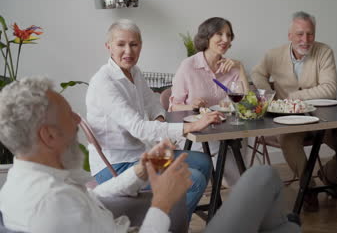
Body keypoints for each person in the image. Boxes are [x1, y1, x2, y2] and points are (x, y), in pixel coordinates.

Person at [0, 77, 301, 233]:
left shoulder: (26, 181)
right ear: (48, 135)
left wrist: (142, 170)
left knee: (279, 223)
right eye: (69, 116)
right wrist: (161, 201)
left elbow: (94, 199)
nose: (78, 122)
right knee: (262, 176)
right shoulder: (51, 205)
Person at [86, 19, 223, 217]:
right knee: (193, 180)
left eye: (134, 44)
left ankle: (172, 217)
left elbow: (153, 103)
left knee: (203, 162)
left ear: (140, 46)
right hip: (116, 166)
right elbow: (138, 128)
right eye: (121, 44)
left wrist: (159, 119)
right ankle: (166, 224)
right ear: (109, 47)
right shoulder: (104, 82)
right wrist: (189, 128)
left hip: (139, 157)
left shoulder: (134, 72)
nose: (128, 51)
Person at [251, 11, 337, 212]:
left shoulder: (324, 51)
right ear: (290, 36)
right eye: (300, 34)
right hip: (288, 121)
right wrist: (267, 95)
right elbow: (257, 73)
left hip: (321, 119)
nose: (305, 40)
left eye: (310, 34)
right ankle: (308, 188)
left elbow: (330, 89)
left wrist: (293, 97)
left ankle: (327, 176)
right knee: (289, 142)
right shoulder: (273, 55)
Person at [170, 17, 249, 186]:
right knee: (241, 179)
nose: (225, 39)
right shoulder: (188, 66)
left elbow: (246, 104)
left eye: (229, 35)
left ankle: (242, 197)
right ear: (207, 37)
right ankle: (242, 197)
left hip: (230, 132)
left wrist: (240, 67)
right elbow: (173, 107)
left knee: (241, 174)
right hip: (199, 135)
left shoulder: (232, 66)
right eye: (219, 34)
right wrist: (192, 106)